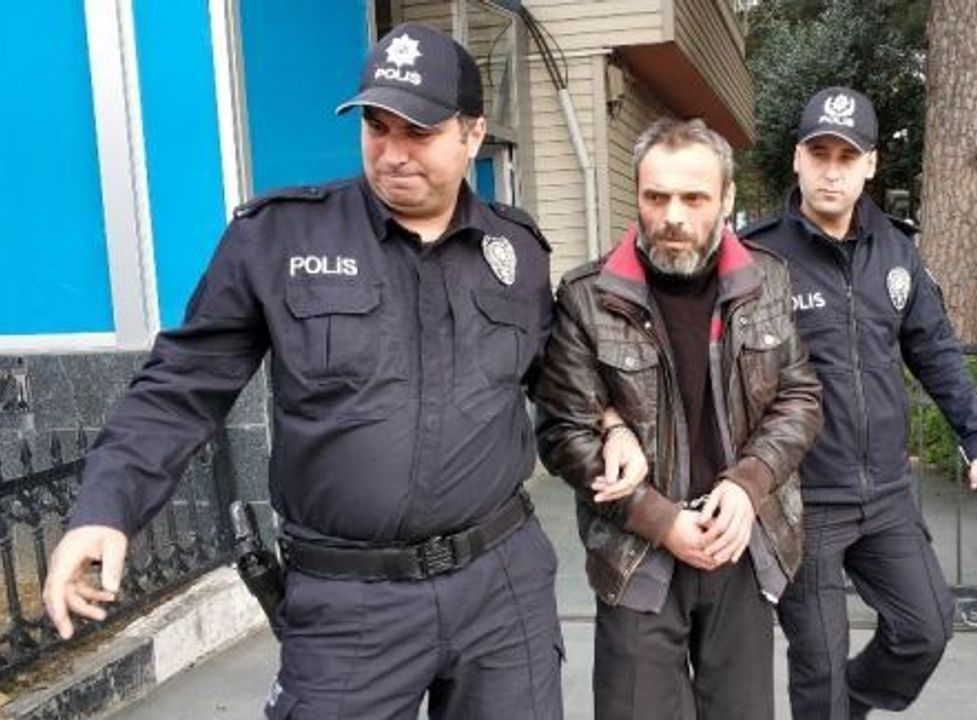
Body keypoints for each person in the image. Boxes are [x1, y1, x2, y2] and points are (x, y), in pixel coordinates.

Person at [41, 23, 645, 720]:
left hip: (500, 588)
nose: (393, 152)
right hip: (349, 605)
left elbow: (553, 371)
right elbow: (180, 388)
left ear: (472, 135)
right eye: (376, 127)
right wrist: (106, 507)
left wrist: (611, 422)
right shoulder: (280, 238)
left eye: (418, 132)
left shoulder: (515, 251)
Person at [741, 87, 977, 719]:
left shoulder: (896, 250)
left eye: (847, 156)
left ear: (869, 164)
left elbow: (936, 352)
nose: (831, 171)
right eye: (819, 154)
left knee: (926, 629)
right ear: (798, 159)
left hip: (886, 496)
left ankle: (849, 705)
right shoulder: (757, 257)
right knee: (819, 669)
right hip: (803, 501)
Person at [534, 117, 824, 720]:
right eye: (656, 196)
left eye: (693, 198)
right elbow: (563, 430)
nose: (672, 215)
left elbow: (799, 397)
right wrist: (660, 520)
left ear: (726, 198)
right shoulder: (587, 296)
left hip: (739, 541)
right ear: (637, 195)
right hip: (636, 550)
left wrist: (748, 483)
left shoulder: (766, 280)